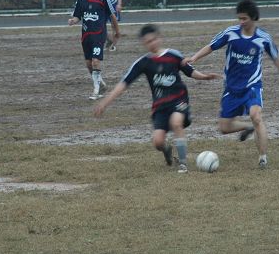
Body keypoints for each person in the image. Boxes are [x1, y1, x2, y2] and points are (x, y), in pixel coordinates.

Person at [185, 0, 279, 169]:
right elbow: (211, 46)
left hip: (252, 86)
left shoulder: (263, 38)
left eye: (244, 18)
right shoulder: (230, 33)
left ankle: (262, 159)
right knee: (224, 127)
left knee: (256, 116)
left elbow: (277, 59)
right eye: (239, 18)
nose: (241, 22)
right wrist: (194, 58)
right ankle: (248, 127)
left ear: (253, 17)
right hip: (231, 87)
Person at [94, 24, 221, 174]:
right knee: (158, 142)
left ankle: (183, 163)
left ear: (159, 38)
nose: (152, 43)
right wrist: (104, 103)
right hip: (160, 106)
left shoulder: (173, 55)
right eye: (148, 42)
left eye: (154, 39)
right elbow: (123, 84)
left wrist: (205, 77)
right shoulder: (143, 63)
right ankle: (167, 150)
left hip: (179, 99)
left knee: (176, 122)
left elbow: (190, 71)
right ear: (144, 44)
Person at [68, 0, 121, 100]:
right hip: (86, 35)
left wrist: (117, 32)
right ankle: (101, 85)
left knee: (95, 61)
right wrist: (73, 21)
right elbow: (77, 16)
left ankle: (96, 91)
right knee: (89, 64)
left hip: (99, 34)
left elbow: (112, 16)